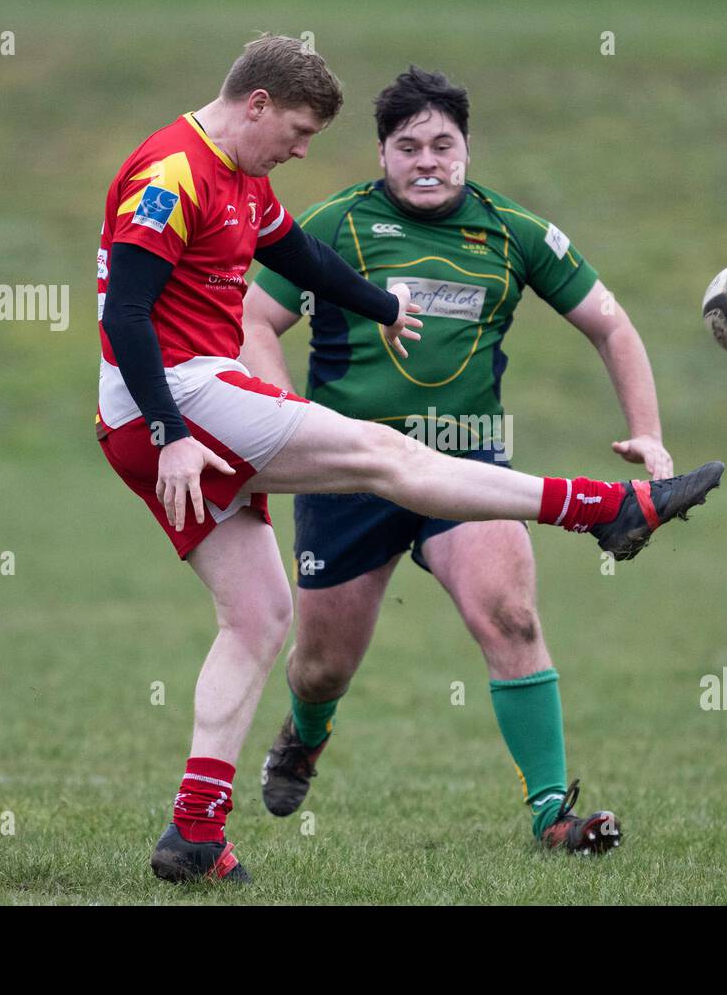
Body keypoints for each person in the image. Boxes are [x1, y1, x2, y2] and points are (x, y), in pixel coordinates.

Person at [97, 38, 724, 883]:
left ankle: (195, 834)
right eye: (299, 129)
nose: (301, 149)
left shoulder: (242, 176)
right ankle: (605, 508)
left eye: (313, 136)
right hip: (178, 400)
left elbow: (298, 259)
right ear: (255, 105)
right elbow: (128, 313)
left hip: (177, 408)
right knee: (387, 459)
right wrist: (174, 432)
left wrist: (382, 303)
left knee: (256, 618)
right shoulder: (174, 175)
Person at [243, 66, 699, 855]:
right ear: (382, 153)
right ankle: (305, 734)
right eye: (408, 145)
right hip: (349, 471)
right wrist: (291, 418)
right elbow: (253, 319)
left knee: (512, 615)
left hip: (465, 469)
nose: (427, 160)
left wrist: (648, 433)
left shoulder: (513, 232)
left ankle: (553, 813)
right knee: (321, 667)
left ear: (467, 150)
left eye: (443, 145)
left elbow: (612, 325)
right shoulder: (335, 224)